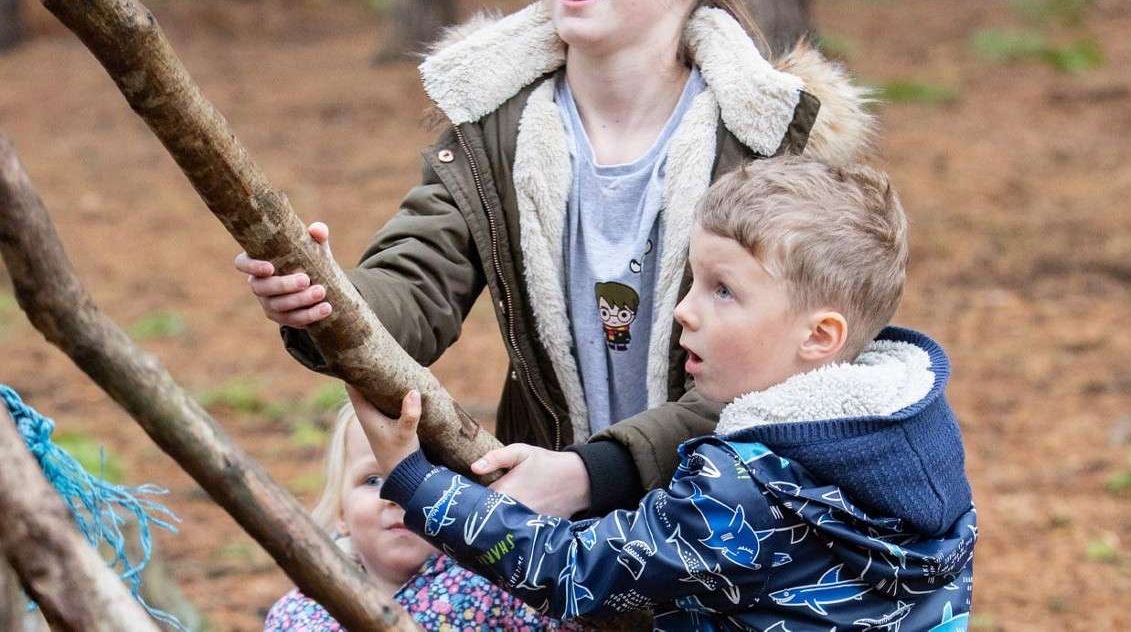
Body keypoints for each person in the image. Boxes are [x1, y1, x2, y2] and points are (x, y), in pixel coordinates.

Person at [233, 0, 874, 520]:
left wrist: (596, 472)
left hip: (729, 528)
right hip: (554, 540)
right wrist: (326, 299)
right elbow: (415, 285)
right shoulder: (494, 133)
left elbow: (787, 378)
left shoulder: (765, 146)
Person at [356, 158, 978, 630]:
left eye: (722, 290)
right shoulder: (914, 436)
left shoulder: (749, 488)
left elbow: (573, 571)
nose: (684, 310)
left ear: (819, 336)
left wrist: (415, 481)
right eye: (693, 281)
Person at [262, 402, 579, 630]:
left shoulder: (494, 584)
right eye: (372, 480)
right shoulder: (301, 613)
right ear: (341, 514)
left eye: (426, 475)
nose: (396, 496)